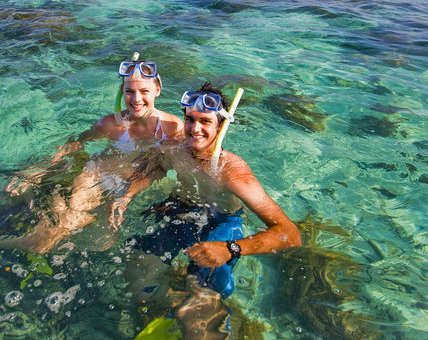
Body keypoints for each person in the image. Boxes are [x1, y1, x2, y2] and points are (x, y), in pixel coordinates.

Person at [108, 82, 301, 339]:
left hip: (223, 222)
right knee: (138, 272)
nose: (194, 129)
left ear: (221, 126)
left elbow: (290, 233)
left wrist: (230, 248)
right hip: (182, 209)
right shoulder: (177, 150)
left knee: (201, 301)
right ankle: (159, 314)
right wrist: (127, 195)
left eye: (205, 121)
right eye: (189, 120)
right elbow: (154, 168)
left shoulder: (233, 173)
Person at [0, 58, 183, 254]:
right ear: (123, 92)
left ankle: (43, 215)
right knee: (53, 235)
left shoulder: (173, 128)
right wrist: (34, 173)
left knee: (105, 241)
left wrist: (126, 196)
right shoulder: (110, 125)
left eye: (144, 91)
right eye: (130, 91)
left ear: (157, 90)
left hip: (128, 185)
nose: (136, 99)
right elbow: (74, 144)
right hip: (96, 175)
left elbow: (162, 167)